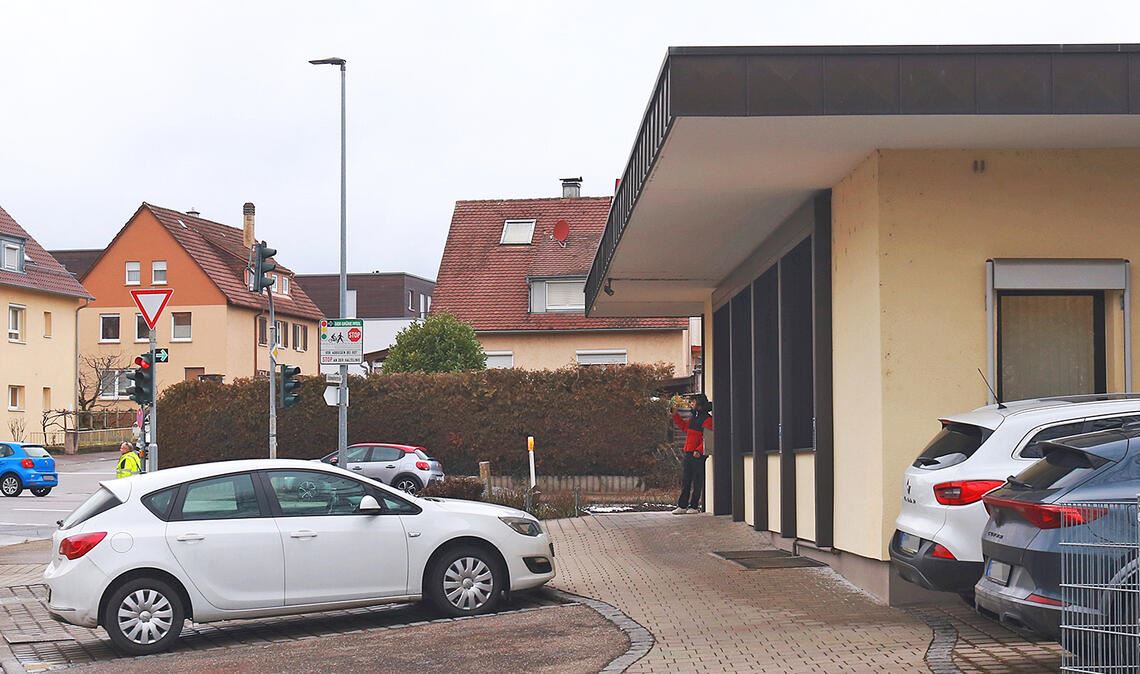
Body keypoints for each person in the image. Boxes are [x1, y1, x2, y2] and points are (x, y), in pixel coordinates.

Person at [670, 394, 713, 514]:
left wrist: (699, 450)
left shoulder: (708, 419)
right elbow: (684, 427)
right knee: (686, 479)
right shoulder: (694, 418)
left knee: (697, 480)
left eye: (693, 401)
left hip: (698, 455)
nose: (691, 404)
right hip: (689, 453)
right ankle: (682, 506)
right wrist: (675, 415)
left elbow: (708, 438)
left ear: (699, 403)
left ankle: (694, 506)